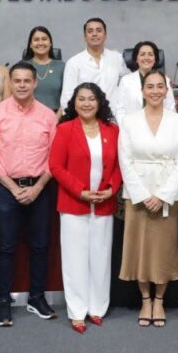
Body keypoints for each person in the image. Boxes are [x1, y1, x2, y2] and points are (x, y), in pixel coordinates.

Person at [0, 61, 59, 327]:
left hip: (40, 188)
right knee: (6, 246)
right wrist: (14, 188)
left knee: (40, 245)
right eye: (17, 81)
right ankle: (3, 301)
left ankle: (36, 298)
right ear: (10, 83)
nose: (22, 85)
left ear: (35, 82)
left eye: (27, 80)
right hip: (6, 189)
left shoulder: (48, 115)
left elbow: (54, 157)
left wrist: (37, 188)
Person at [50, 83, 122, 334]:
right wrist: (80, 191)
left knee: (101, 257)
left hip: (104, 202)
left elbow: (119, 165)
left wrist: (111, 188)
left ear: (100, 102)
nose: (87, 103)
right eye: (81, 99)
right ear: (74, 103)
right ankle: (77, 310)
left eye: (92, 99)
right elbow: (56, 166)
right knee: (75, 258)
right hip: (74, 203)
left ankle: (97, 308)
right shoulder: (65, 129)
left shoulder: (112, 130)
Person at [118, 70, 178, 328]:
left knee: (163, 249)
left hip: (169, 195)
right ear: (142, 91)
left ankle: (159, 300)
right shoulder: (129, 121)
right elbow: (124, 159)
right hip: (137, 194)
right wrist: (143, 195)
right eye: (150, 86)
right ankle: (145, 299)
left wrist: (162, 195)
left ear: (167, 90)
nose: (155, 91)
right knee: (139, 249)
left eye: (160, 86)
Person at [59, 17, 126, 110]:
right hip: (85, 115)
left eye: (99, 30)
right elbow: (67, 97)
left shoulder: (117, 58)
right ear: (85, 37)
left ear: (105, 35)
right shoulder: (73, 63)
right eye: (90, 31)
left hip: (113, 115)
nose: (94, 34)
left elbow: (128, 85)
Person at [112, 40, 176, 118]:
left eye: (150, 54)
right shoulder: (126, 81)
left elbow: (170, 107)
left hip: (160, 124)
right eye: (142, 54)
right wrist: (127, 125)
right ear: (136, 59)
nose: (146, 58)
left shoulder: (165, 80)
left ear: (155, 59)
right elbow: (120, 109)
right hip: (132, 124)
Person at [22, 26, 64, 112]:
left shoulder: (62, 66)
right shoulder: (22, 67)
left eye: (44, 39)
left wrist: (56, 118)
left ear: (50, 43)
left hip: (56, 115)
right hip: (27, 115)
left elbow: (68, 97)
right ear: (30, 44)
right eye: (36, 40)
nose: (40, 43)